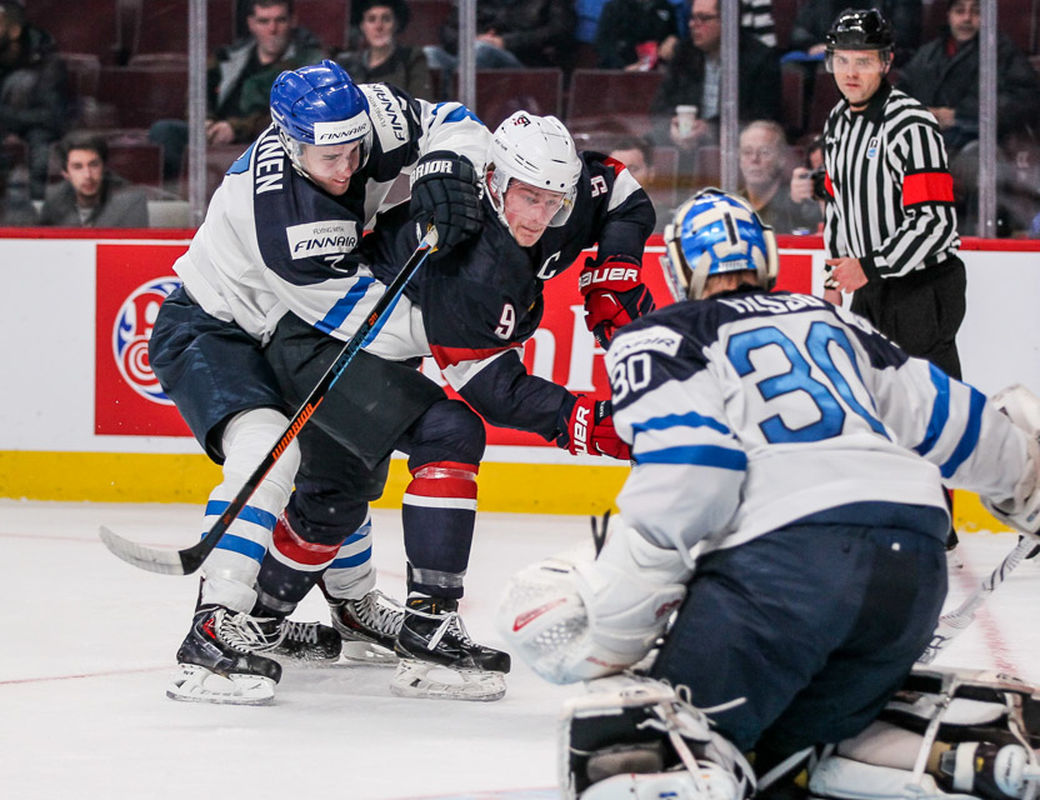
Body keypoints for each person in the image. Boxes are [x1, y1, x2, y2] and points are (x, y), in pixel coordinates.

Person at [498, 188, 1040, 800]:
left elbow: (695, 471)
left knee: (657, 739)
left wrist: (620, 605)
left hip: (781, 577)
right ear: (767, 257)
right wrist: (1039, 482)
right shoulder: (835, 320)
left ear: (679, 270)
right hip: (913, 569)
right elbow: (951, 420)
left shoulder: (659, 338)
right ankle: (950, 759)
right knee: (797, 752)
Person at [248, 110, 656, 700]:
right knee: (448, 434)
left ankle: (261, 621)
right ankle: (427, 630)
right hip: (329, 344)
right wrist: (584, 422)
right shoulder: (470, 256)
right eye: (528, 199)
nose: (540, 218)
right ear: (492, 181)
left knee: (332, 498)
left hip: (376, 344)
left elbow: (618, 187)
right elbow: (491, 385)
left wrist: (614, 271)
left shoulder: (548, 195)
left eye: (554, 204)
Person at [146, 59, 491, 705]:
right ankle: (211, 630)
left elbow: (455, 122)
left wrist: (449, 166)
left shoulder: (368, 112)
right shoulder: (286, 220)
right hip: (211, 326)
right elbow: (371, 326)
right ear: (287, 138)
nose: (344, 167)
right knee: (270, 448)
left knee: (343, 457)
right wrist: (467, 331)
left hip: (283, 327)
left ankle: (355, 610)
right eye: (326, 156)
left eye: (352, 150)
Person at [820, 8, 965, 382]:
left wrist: (867, 266)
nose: (850, 73)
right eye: (843, 60)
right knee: (877, 397)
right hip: (869, 285)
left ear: (886, 63)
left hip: (920, 287)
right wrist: (833, 281)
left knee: (932, 404)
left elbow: (935, 223)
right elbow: (838, 205)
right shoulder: (837, 120)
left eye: (863, 61)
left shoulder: (910, 124)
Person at [149, 0, 326, 181]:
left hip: (261, 140)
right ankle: (180, 193)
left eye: (279, 20)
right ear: (251, 24)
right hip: (215, 133)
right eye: (263, 21)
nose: (272, 29)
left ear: (292, 21)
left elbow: (294, 117)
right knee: (164, 131)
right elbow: (198, 92)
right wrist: (205, 122)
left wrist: (236, 129)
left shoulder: (308, 64)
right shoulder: (229, 57)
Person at [896, 0, 1040, 157]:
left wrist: (958, 115)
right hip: (923, 140)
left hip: (973, 144)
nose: (967, 18)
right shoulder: (927, 54)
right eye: (959, 11)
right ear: (949, 16)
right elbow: (901, 92)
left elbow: (1024, 100)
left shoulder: (1003, 53)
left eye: (976, 12)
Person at [649, 0, 781, 156]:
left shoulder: (760, 59)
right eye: (692, 17)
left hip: (734, 148)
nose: (693, 24)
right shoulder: (684, 53)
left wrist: (709, 129)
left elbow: (760, 116)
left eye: (703, 18)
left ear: (728, 21)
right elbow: (659, 107)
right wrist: (673, 125)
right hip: (684, 143)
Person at [0, 0, 69, 201]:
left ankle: (38, 207)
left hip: (36, 132)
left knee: (41, 140)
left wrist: (5, 116)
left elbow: (51, 117)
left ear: (14, 31)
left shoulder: (47, 64)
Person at [425, 0, 577, 74]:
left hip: (525, 63)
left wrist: (505, 42)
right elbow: (448, 29)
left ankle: (461, 115)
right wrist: (476, 38)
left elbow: (560, 30)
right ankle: (432, 118)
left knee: (483, 50)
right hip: (470, 52)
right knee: (428, 54)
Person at [38, 132, 149, 228]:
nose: (88, 175)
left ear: (104, 167)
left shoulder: (129, 200)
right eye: (78, 167)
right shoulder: (54, 199)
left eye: (94, 165)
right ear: (65, 173)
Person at [336, 0, 433, 99]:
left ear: (397, 24)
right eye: (371, 19)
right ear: (362, 26)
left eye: (386, 19)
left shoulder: (411, 59)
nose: (378, 26)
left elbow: (421, 104)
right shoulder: (347, 63)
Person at [738, 119, 821, 235]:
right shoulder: (732, 204)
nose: (754, 159)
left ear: (782, 158)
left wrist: (797, 205)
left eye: (764, 152)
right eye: (747, 152)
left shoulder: (796, 203)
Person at [789, 0, 922, 66]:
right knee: (793, 68)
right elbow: (799, 30)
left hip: (879, 55)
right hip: (827, 56)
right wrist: (812, 44)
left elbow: (903, 35)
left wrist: (850, 46)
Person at [592, 0, 680, 71]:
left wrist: (673, 42)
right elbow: (603, 44)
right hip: (620, 76)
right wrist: (622, 68)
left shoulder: (666, 8)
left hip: (655, 73)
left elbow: (673, 37)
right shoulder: (614, 8)